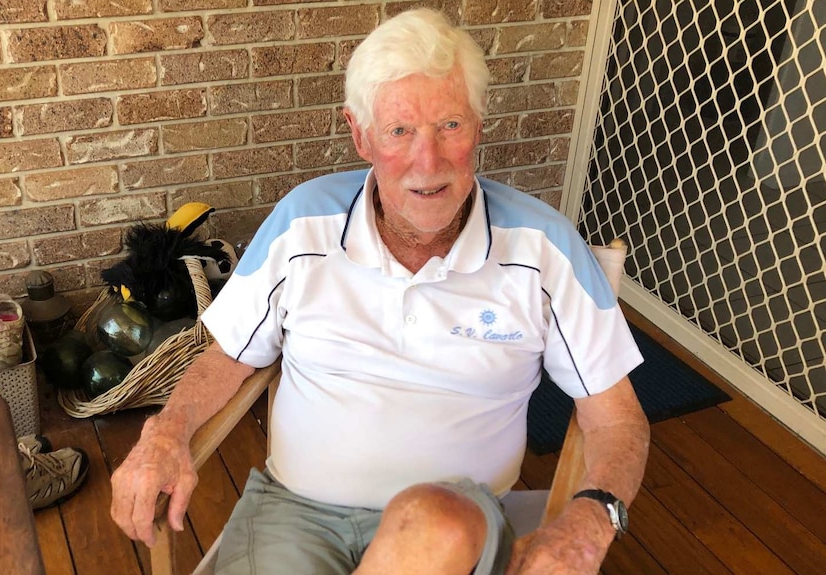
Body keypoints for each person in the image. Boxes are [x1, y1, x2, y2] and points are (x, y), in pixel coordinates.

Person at [110, 8, 650, 575]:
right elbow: (228, 356)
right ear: (360, 133)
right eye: (400, 131)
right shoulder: (301, 224)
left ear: (479, 125)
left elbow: (616, 419)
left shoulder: (545, 250)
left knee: (433, 517)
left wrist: (591, 523)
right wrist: (164, 433)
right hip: (295, 515)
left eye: (451, 125)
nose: (429, 160)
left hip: (451, 531)